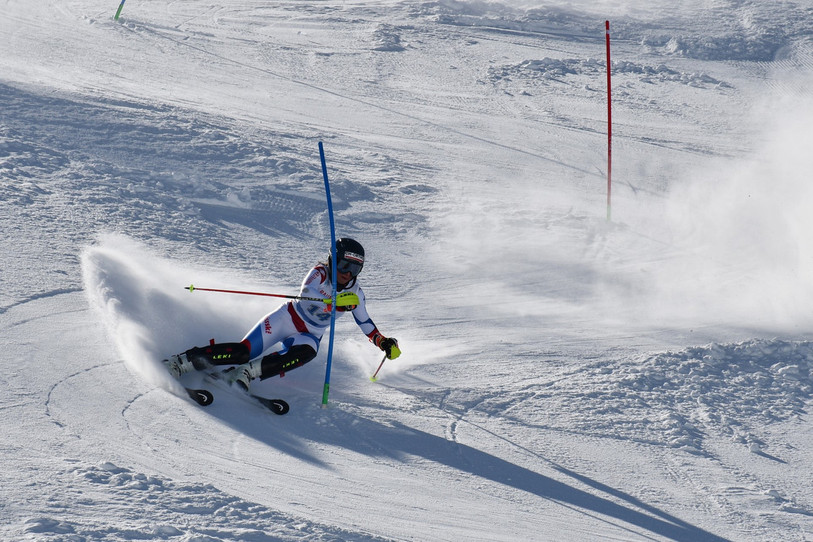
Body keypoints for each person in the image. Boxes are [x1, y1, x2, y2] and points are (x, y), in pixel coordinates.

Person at [164, 238, 400, 391]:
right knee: (244, 351)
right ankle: (181, 362)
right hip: (286, 319)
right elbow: (306, 291)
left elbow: (365, 323)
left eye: (355, 269)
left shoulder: (356, 294)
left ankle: (243, 374)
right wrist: (334, 304)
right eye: (344, 266)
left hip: (310, 333)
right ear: (332, 261)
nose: (348, 274)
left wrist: (383, 342)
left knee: (308, 352)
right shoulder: (319, 273)